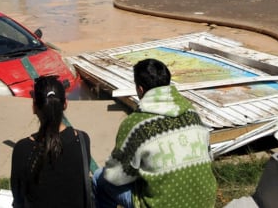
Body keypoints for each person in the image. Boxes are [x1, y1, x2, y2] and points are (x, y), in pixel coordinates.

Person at [93, 58, 217, 208]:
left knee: (100, 178)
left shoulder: (136, 123)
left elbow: (115, 175)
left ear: (140, 89)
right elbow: (209, 156)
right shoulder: (192, 112)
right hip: (206, 201)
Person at [11, 75, 92, 208]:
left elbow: (18, 199)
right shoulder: (83, 140)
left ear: (34, 107)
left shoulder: (23, 149)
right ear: (65, 104)